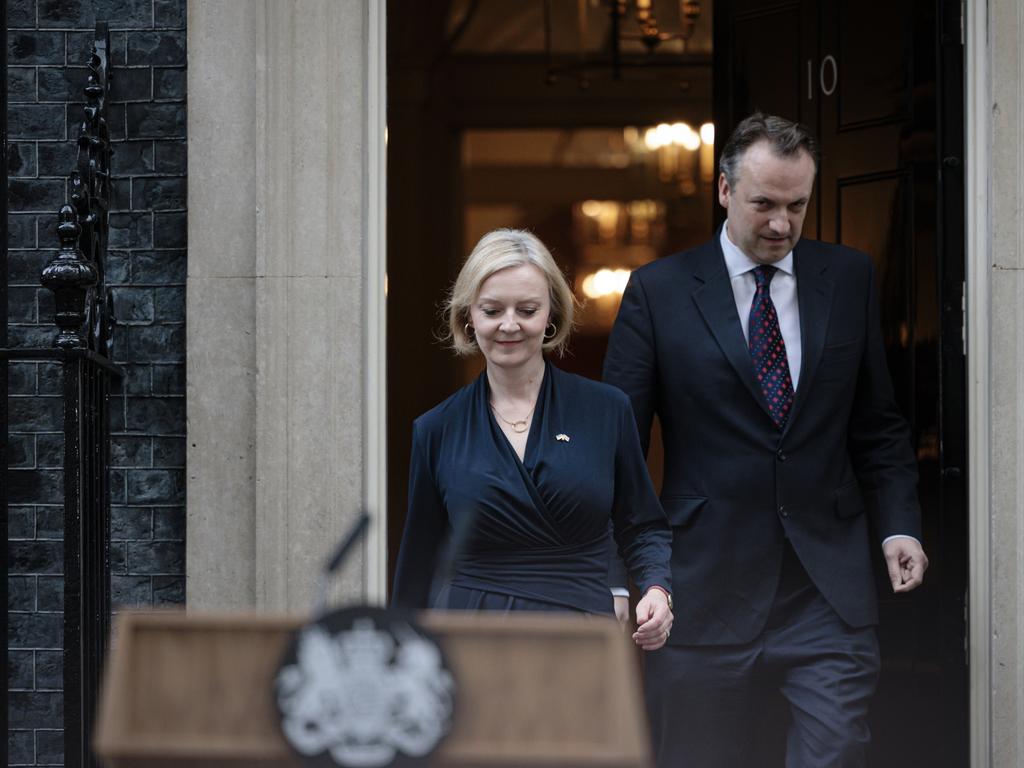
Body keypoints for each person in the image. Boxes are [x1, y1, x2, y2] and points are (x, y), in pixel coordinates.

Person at [603, 113, 929, 766]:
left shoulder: (849, 277)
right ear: (724, 191)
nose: (782, 224)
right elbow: (618, 450)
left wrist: (899, 525)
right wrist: (623, 576)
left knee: (834, 751)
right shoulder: (658, 292)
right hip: (699, 592)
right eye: (764, 204)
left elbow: (877, 424)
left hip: (825, 591)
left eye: (797, 205)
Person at [392, 228, 673, 651]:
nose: (509, 325)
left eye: (526, 309)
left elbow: (642, 524)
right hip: (472, 638)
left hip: (580, 635)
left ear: (550, 315)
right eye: (492, 310)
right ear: (470, 315)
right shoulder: (436, 429)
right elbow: (418, 562)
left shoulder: (605, 409)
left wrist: (656, 589)